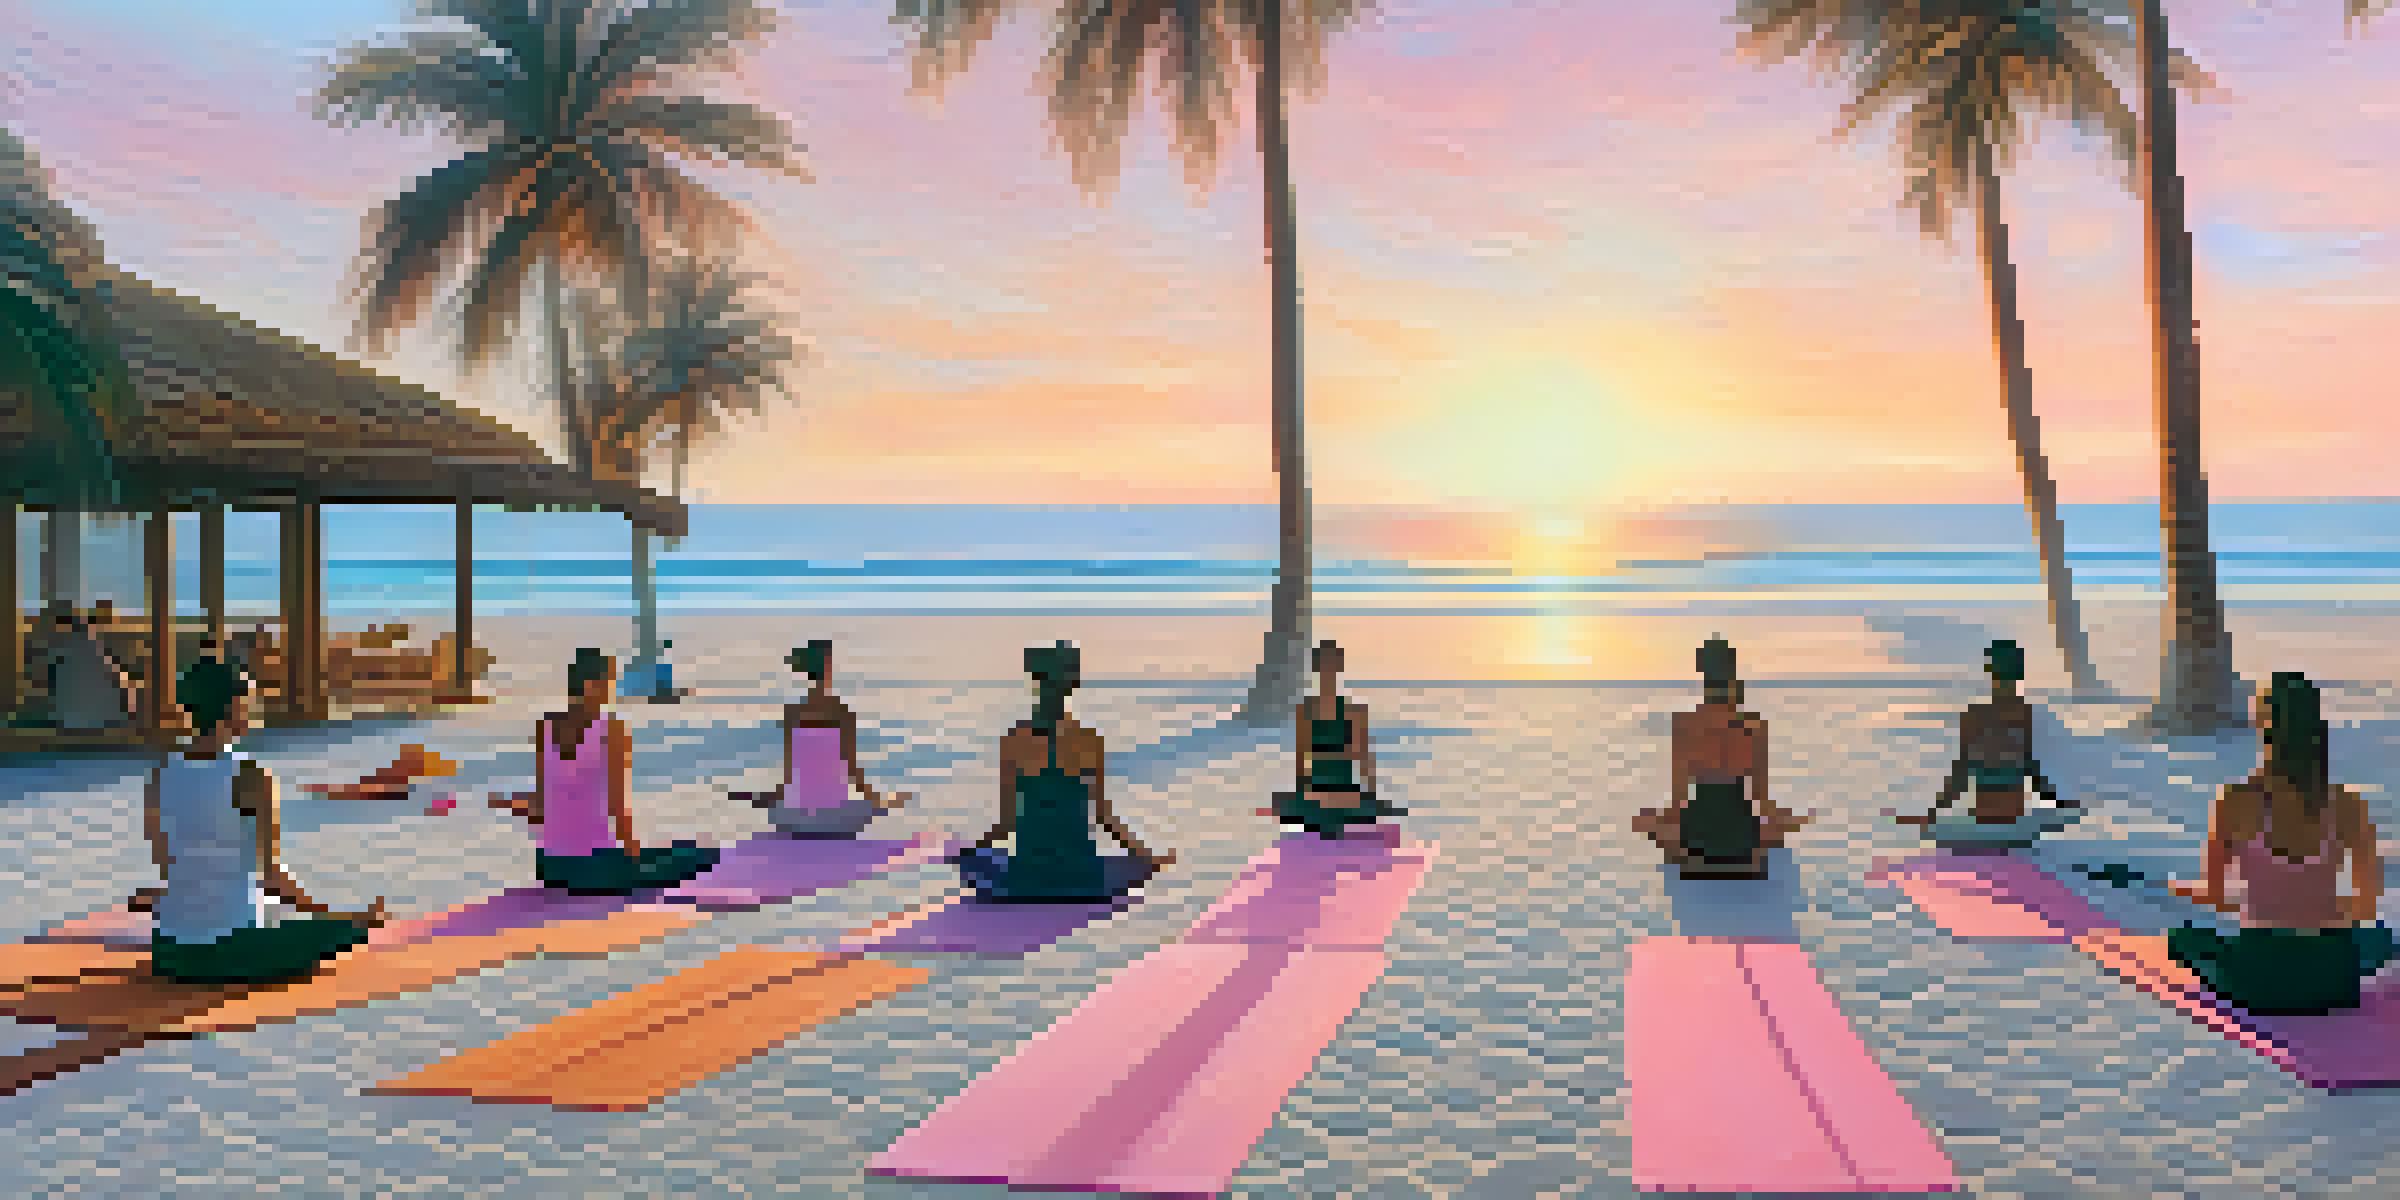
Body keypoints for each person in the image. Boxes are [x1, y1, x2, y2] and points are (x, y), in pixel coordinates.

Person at [133, 657, 388, 985]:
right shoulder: (251, 775)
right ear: (232, 709)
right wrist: (329, 915)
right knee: (336, 932)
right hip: (232, 951)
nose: (254, 712)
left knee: (267, 911)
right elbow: (271, 876)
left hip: (170, 951)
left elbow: (167, 866)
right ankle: (350, 923)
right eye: (249, 703)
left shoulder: (161, 774)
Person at [2168, 672, 2394, 1014]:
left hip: (2259, 980)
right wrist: (2317, 907)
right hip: (2333, 982)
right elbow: (2364, 907)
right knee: (2380, 938)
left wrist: (2180, 889)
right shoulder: (2348, 804)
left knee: (2183, 938)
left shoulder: (2235, 801)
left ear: (2263, 728)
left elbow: (2214, 895)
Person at [488, 648, 720, 895]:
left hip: (551, 868)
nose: (613, 689)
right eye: (609, 681)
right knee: (695, 856)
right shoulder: (612, 729)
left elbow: (542, 806)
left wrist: (510, 803)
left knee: (672, 850)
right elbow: (618, 808)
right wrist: (634, 861)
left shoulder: (545, 726)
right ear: (591, 685)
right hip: (595, 869)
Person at [957, 641, 1173, 901]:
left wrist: (971, 851)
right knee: (1125, 865)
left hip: (1029, 876)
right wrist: (1146, 856)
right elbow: (1105, 819)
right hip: (1080, 876)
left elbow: (1008, 824)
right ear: (1073, 684)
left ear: (1035, 682)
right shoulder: (1090, 739)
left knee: (981, 862)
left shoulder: (1013, 740)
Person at [1634, 635, 1808, 877]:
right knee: (1775, 824)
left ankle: (1693, 856)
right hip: (1742, 840)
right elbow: (1760, 798)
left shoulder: (1685, 725)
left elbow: (1679, 798)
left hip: (1697, 837)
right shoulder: (1753, 726)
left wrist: (1660, 823)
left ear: (1703, 674)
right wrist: (1779, 823)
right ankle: (1742, 855)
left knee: (1646, 821)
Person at [1894, 639, 2079, 847]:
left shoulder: (1986, 716)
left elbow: (1964, 773)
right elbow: (2027, 769)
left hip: (1998, 822)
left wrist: (1936, 812)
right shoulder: (2015, 716)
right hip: (2008, 824)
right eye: (2010, 673)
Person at [748, 639, 911, 836]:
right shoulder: (841, 712)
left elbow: (790, 771)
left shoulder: (792, 712)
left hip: (796, 815)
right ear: (827, 668)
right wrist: (879, 801)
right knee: (891, 802)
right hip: (836, 815)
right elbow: (853, 771)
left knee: (780, 808)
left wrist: (771, 798)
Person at [1270, 640, 1404, 839]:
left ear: (1337, 668)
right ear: (1317, 669)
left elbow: (1363, 758)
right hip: (1316, 789)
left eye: (1331, 666)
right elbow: (1301, 761)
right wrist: (1303, 794)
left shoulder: (1353, 712)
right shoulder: (1305, 711)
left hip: (1344, 789)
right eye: (1324, 666)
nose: (1327, 673)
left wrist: (1370, 794)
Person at [46, 609, 136, 733]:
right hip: (101, 724)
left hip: (72, 724)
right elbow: (125, 684)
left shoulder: (63, 656)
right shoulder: (100, 654)